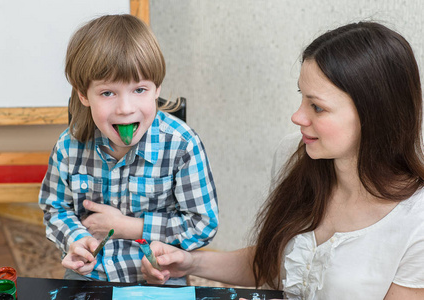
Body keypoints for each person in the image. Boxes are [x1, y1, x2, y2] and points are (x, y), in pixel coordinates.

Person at [141, 21, 424, 299]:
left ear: (374, 115)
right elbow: (274, 263)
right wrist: (192, 262)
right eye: (302, 97)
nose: (297, 117)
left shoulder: (416, 219)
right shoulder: (294, 154)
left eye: (317, 107)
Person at [38, 14, 219, 284]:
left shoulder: (182, 146)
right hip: (91, 276)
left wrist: (129, 228)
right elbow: (55, 209)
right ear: (84, 95)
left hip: (160, 276)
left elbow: (202, 224)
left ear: (157, 88)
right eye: (108, 93)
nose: (125, 108)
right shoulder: (69, 146)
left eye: (139, 90)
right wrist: (77, 240)